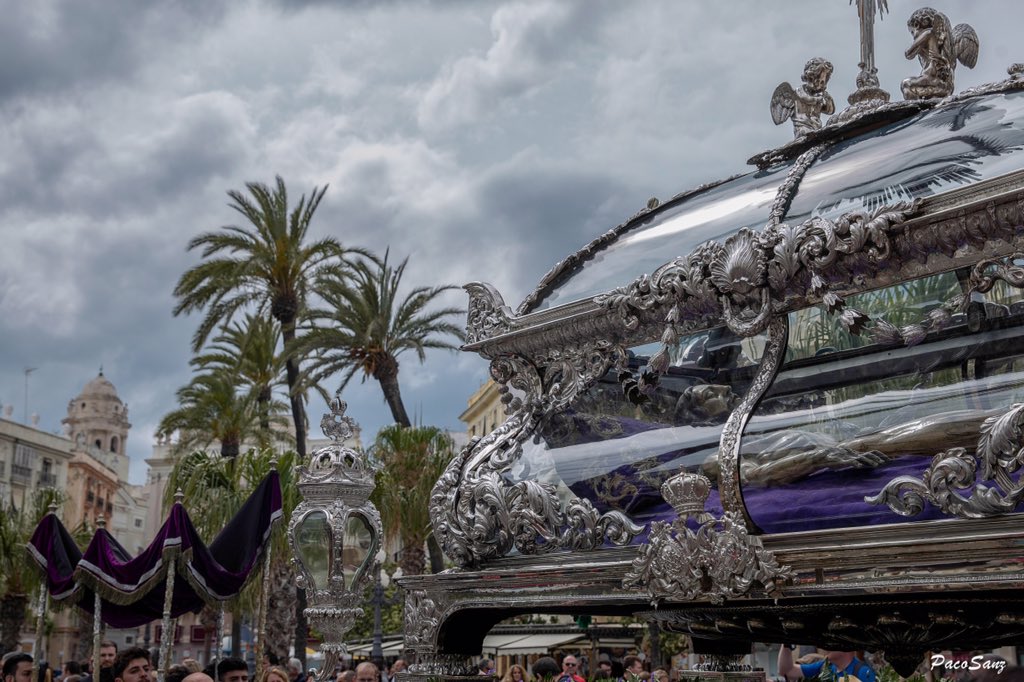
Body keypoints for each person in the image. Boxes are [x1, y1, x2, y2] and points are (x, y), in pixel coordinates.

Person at [777, 646, 876, 682]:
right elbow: (787, 671)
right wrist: (787, 643)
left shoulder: (864, 672)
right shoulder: (825, 666)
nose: (824, 646)